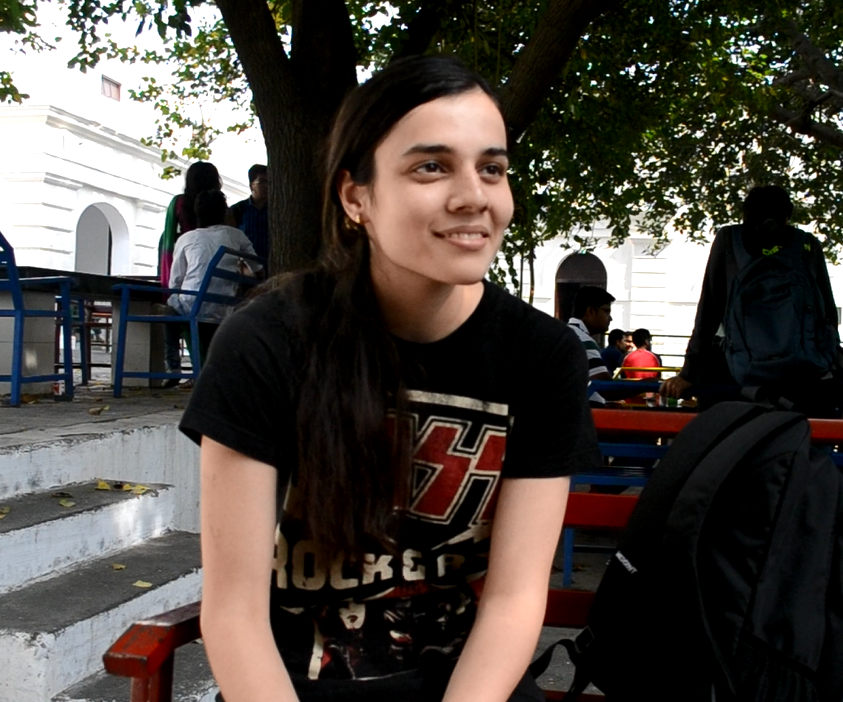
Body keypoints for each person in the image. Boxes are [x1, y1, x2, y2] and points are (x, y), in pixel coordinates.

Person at [178, 55, 599, 702]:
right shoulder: (265, 342)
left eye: (492, 168)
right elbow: (234, 613)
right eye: (431, 166)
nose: (474, 196)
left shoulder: (542, 357)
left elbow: (514, 600)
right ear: (356, 198)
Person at [660, 185, 840, 414]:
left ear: (745, 213)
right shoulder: (806, 244)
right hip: (801, 374)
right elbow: (827, 314)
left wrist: (688, 373)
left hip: (742, 373)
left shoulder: (729, 240)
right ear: (788, 215)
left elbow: (709, 310)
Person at [164, 189, 262, 373]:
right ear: (224, 212)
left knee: (169, 309)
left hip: (193, 306)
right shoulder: (237, 236)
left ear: (197, 213)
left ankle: (173, 366)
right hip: (226, 307)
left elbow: (175, 282)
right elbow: (258, 269)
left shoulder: (187, 238)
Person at [158, 161, 223, 374]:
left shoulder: (179, 204)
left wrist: (169, 283)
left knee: (175, 307)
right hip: (218, 287)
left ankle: (174, 365)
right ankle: (204, 366)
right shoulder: (221, 207)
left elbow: (168, 243)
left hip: (186, 270)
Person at [567, 285, 615, 405]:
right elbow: (606, 388)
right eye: (606, 311)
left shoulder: (569, 333)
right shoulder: (582, 340)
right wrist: (648, 383)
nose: (610, 318)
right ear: (591, 311)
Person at [229, 164, 269, 268]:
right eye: (262, 182)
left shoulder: (275, 210)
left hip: (271, 263)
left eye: (269, 182)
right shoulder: (238, 209)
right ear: (251, 186)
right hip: (246, 265)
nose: (267, 186)